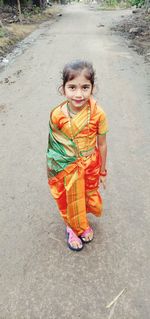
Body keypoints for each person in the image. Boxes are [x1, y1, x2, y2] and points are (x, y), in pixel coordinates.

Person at [47, 60, 108, 251]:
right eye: (72, 87)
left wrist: (102, 171)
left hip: (90, 164)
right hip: (66, 167)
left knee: (86, 196)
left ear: (93, 88)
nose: (78, 94)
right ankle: (72, 228)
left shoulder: (98, 114)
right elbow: (54, 146)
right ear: (63, 89)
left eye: (85, 87)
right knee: (69, 197)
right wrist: (54, 169)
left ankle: (81, 222)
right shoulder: (57, 115)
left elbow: (103, 144)